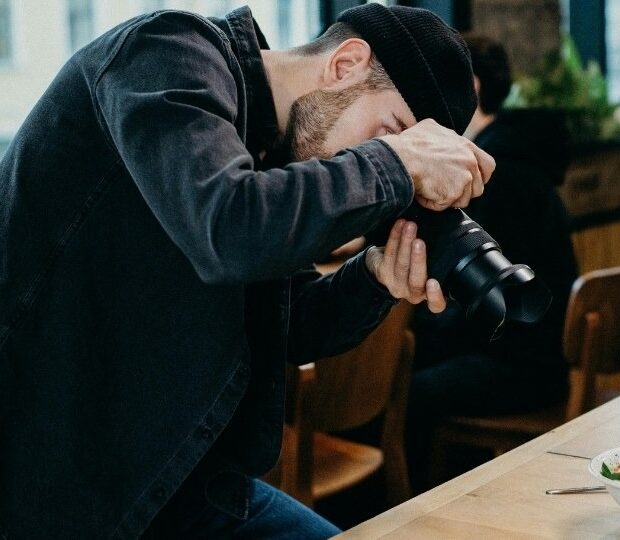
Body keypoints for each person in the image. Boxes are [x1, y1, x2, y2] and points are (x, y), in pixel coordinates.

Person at [0, 4, 495, 538]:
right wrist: (395, 162)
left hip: (175, 483)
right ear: (345, 64)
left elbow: (289, 326)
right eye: (390, 130)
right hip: (45, 489)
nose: (385, 156)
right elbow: (227, 229)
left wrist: (376, 278)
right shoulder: (164, 53)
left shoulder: (270, 156)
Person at [406, 34, 579, 490]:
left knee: (397, 390)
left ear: (472, 87)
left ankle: (403, 511)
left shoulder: (496, 176)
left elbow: (485, 308)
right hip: (538, 356)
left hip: (521, 368)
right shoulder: (518, 156)